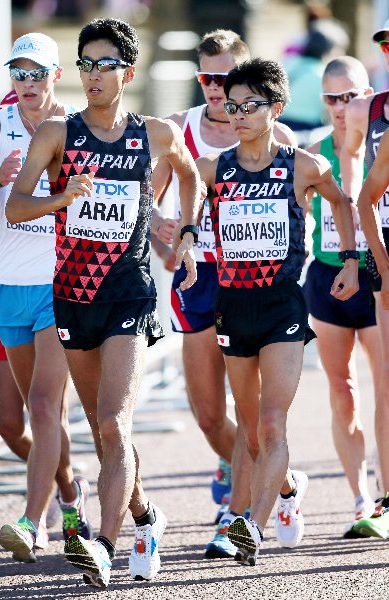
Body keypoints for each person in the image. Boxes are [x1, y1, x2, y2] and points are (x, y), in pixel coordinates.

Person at [5, 18, 201, 588]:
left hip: (129, 294)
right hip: (71, 297)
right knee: (101, 425)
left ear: (128, 73)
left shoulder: (156, 133)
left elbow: (191, 179)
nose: (91, 75)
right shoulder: (58, 134)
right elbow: (16, 209)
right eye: (85, 64)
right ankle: (144, 517)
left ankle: (105, 547)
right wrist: (63, 197)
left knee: (115, 424)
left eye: (103, 65)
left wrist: (186, 235)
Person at [196, 57, 359, 565]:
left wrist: (352, 261)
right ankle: (287, 489)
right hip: (233, 306)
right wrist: (177, 237)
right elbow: (177, 199)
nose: (237, 114)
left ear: (277, 107)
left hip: (283, 306)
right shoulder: (212, 169)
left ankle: (249, 526)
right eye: (232, 105)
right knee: (248, 431)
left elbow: (341, 203)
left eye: (250, 105)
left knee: (271, 423)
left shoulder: (303, 165)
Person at [151, 29, 298, 559]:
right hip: (198, 277)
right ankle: (279, 483)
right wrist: (164, 233)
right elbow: (150, 201)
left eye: (226, 78)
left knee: (259, 414)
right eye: (206, 78)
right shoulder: (179, 130)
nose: (216, 89)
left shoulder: (270, 136)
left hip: (253, 283)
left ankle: (243, 510)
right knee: (211, 416)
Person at [0, 32, 91, 563]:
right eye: (19, 72)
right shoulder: (0, 122)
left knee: (43, 403)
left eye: (37, 73)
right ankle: (72, 495)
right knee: (31, 419)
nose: (27, 83)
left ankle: (32, 523)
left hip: (61, 287)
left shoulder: (76, 129)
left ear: (56, 75)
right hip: (7, 287)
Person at [304, 56, 380, 537]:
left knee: (387, 389)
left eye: (351, 95)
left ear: (368, 94)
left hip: (377, 281)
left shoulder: (381, 147)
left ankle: (386, 492)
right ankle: (361, 498)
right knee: (342, 392)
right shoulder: (313, 156)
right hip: (328, 282)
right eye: (332, 97)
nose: (341, 106)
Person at [340, 20, 389, 538]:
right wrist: (371, 249)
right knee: (385, 386)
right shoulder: (368, 108)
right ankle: (386, 496)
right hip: (386, 256)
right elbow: (355, 168)